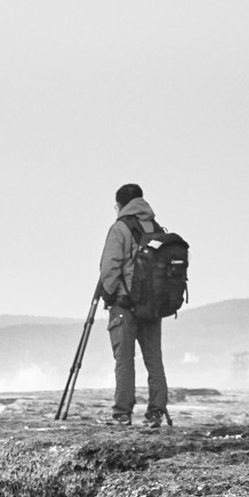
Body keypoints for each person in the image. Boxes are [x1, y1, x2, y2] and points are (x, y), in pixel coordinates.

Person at [99, 182, 169, 427]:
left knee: (124, 360)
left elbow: (109, 267)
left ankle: (122, 413)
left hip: (125, 304)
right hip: (152, 306)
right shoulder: (156, 227)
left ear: (119, 205)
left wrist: (109, 297)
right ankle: (156, 412)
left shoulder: (120, 228)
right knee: (154, 359)